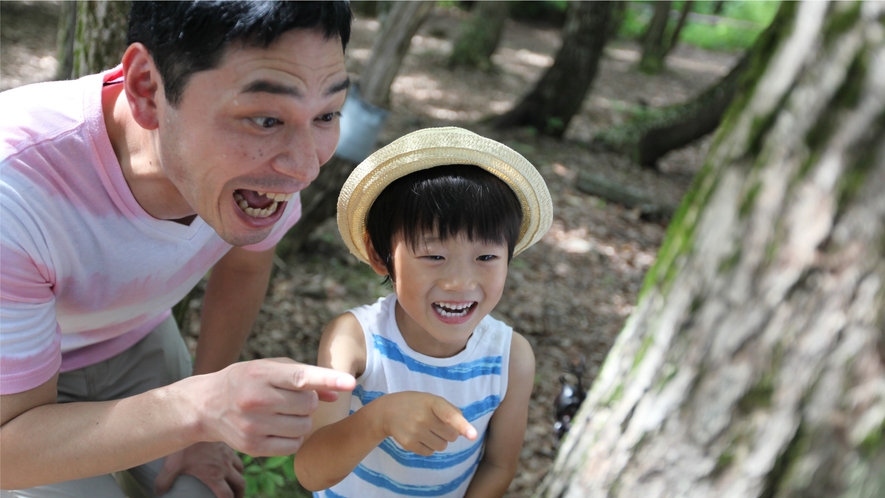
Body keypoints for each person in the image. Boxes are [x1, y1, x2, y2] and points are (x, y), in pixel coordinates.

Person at [0, 2, 358, 497]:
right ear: (148, 88)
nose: (304, 169)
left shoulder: (258, 175)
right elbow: (7, 451)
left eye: (327, 113)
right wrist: (199, 408)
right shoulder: (14, 189)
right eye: (263, 119)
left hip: (137, 338)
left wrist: (209, 400)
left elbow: (246, 263)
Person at [293, 127, 554, 497]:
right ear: (379, 255)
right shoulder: (354, 340)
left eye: (486, 257)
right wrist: (379, 418)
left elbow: (498, 464)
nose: (459, 282)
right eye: (434, 256)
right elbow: (311, 472)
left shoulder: (511, 360)